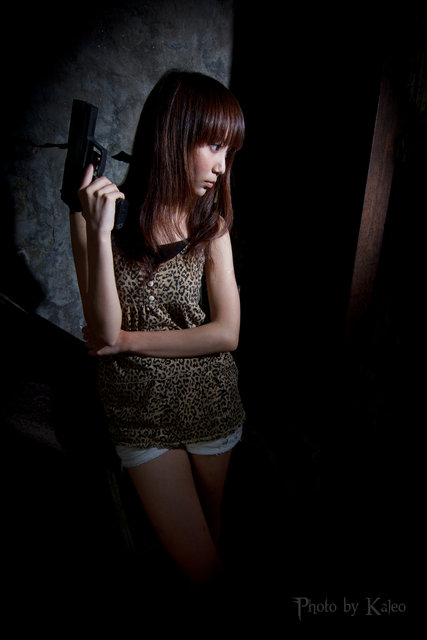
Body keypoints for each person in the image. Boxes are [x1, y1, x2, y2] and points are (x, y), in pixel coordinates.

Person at [69, 70, 246, 587]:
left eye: (229, 151)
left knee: (214, 543)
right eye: (214, 145)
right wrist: (100, 232)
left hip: (208, 398)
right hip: (137, 409)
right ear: (175, 133)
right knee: (201, 568)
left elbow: (227, 333)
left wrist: (127, 341)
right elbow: (104, 328)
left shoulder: (210, 221)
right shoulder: (95, 214)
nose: (222, 165)